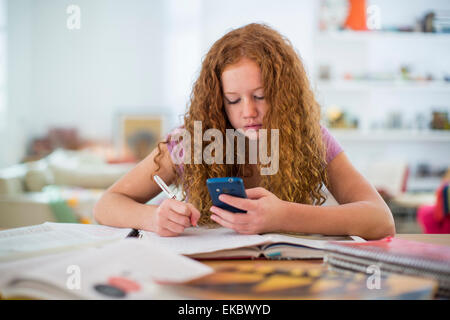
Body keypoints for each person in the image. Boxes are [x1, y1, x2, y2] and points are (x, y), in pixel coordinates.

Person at [94, 23, 395, 240]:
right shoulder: (193, 139)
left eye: (261, 96)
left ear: (284, 95)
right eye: (233, 100)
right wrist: (152, 217)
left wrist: (284, 215)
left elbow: (380, 219)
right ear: (217, 101)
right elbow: (107, 204)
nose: (248, 111)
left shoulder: (311, 138)